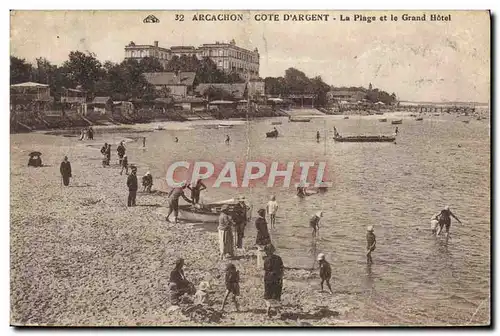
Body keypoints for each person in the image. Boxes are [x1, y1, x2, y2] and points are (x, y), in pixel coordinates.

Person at [263, 244, 284, 317]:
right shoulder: (278, 258)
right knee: (276, 296)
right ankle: (277, 312)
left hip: (269, 279)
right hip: (277, 279)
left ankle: (268, 311)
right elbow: (282, 269)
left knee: (268, 296)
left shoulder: (266, 260)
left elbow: (266, 269)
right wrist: (281, 278)